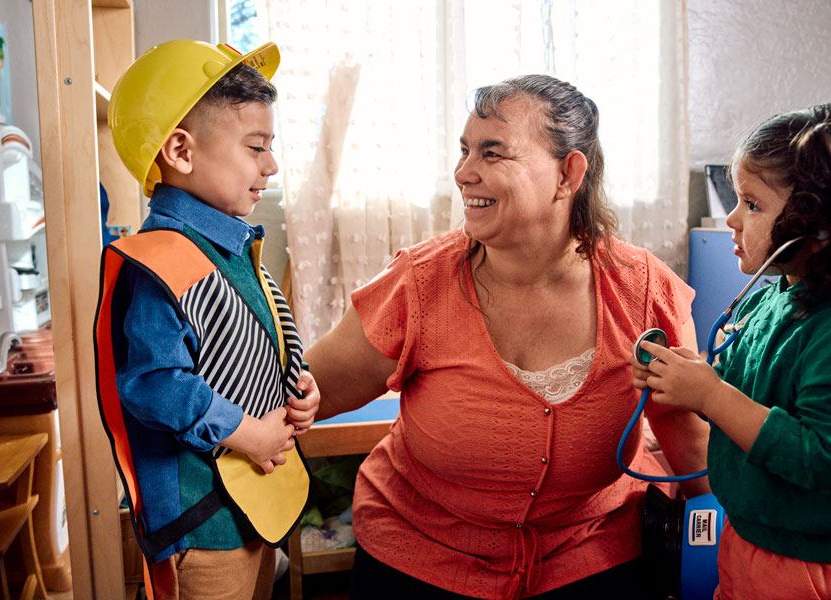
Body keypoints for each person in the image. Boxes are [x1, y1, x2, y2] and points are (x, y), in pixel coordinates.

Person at [305, 74, 709, 599]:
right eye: (465, 150)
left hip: (589, 556)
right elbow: (309, 389)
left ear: (568, 173)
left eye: (492, 154)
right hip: (422, 557)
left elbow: (688, 443)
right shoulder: (420, 283)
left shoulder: (644, 290)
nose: (463, 173)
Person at [93, 40, 319, 600]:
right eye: (255, 147)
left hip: (249, 508)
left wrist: (300, 383)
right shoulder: (160, 258)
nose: (270, 165)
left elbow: (254, 334)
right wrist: (249, 433)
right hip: (203, 519)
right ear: (181, 151)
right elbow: (152, 384)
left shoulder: (230, 247)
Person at [634, 104, 831, 600]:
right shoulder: (773, 293)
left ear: (818, 227)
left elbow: (819, 456)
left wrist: (711, 395)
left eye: (753, 204)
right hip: (747, 535)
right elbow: (746, 378)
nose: (732, 219)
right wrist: (693, 377)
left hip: (803, 559)